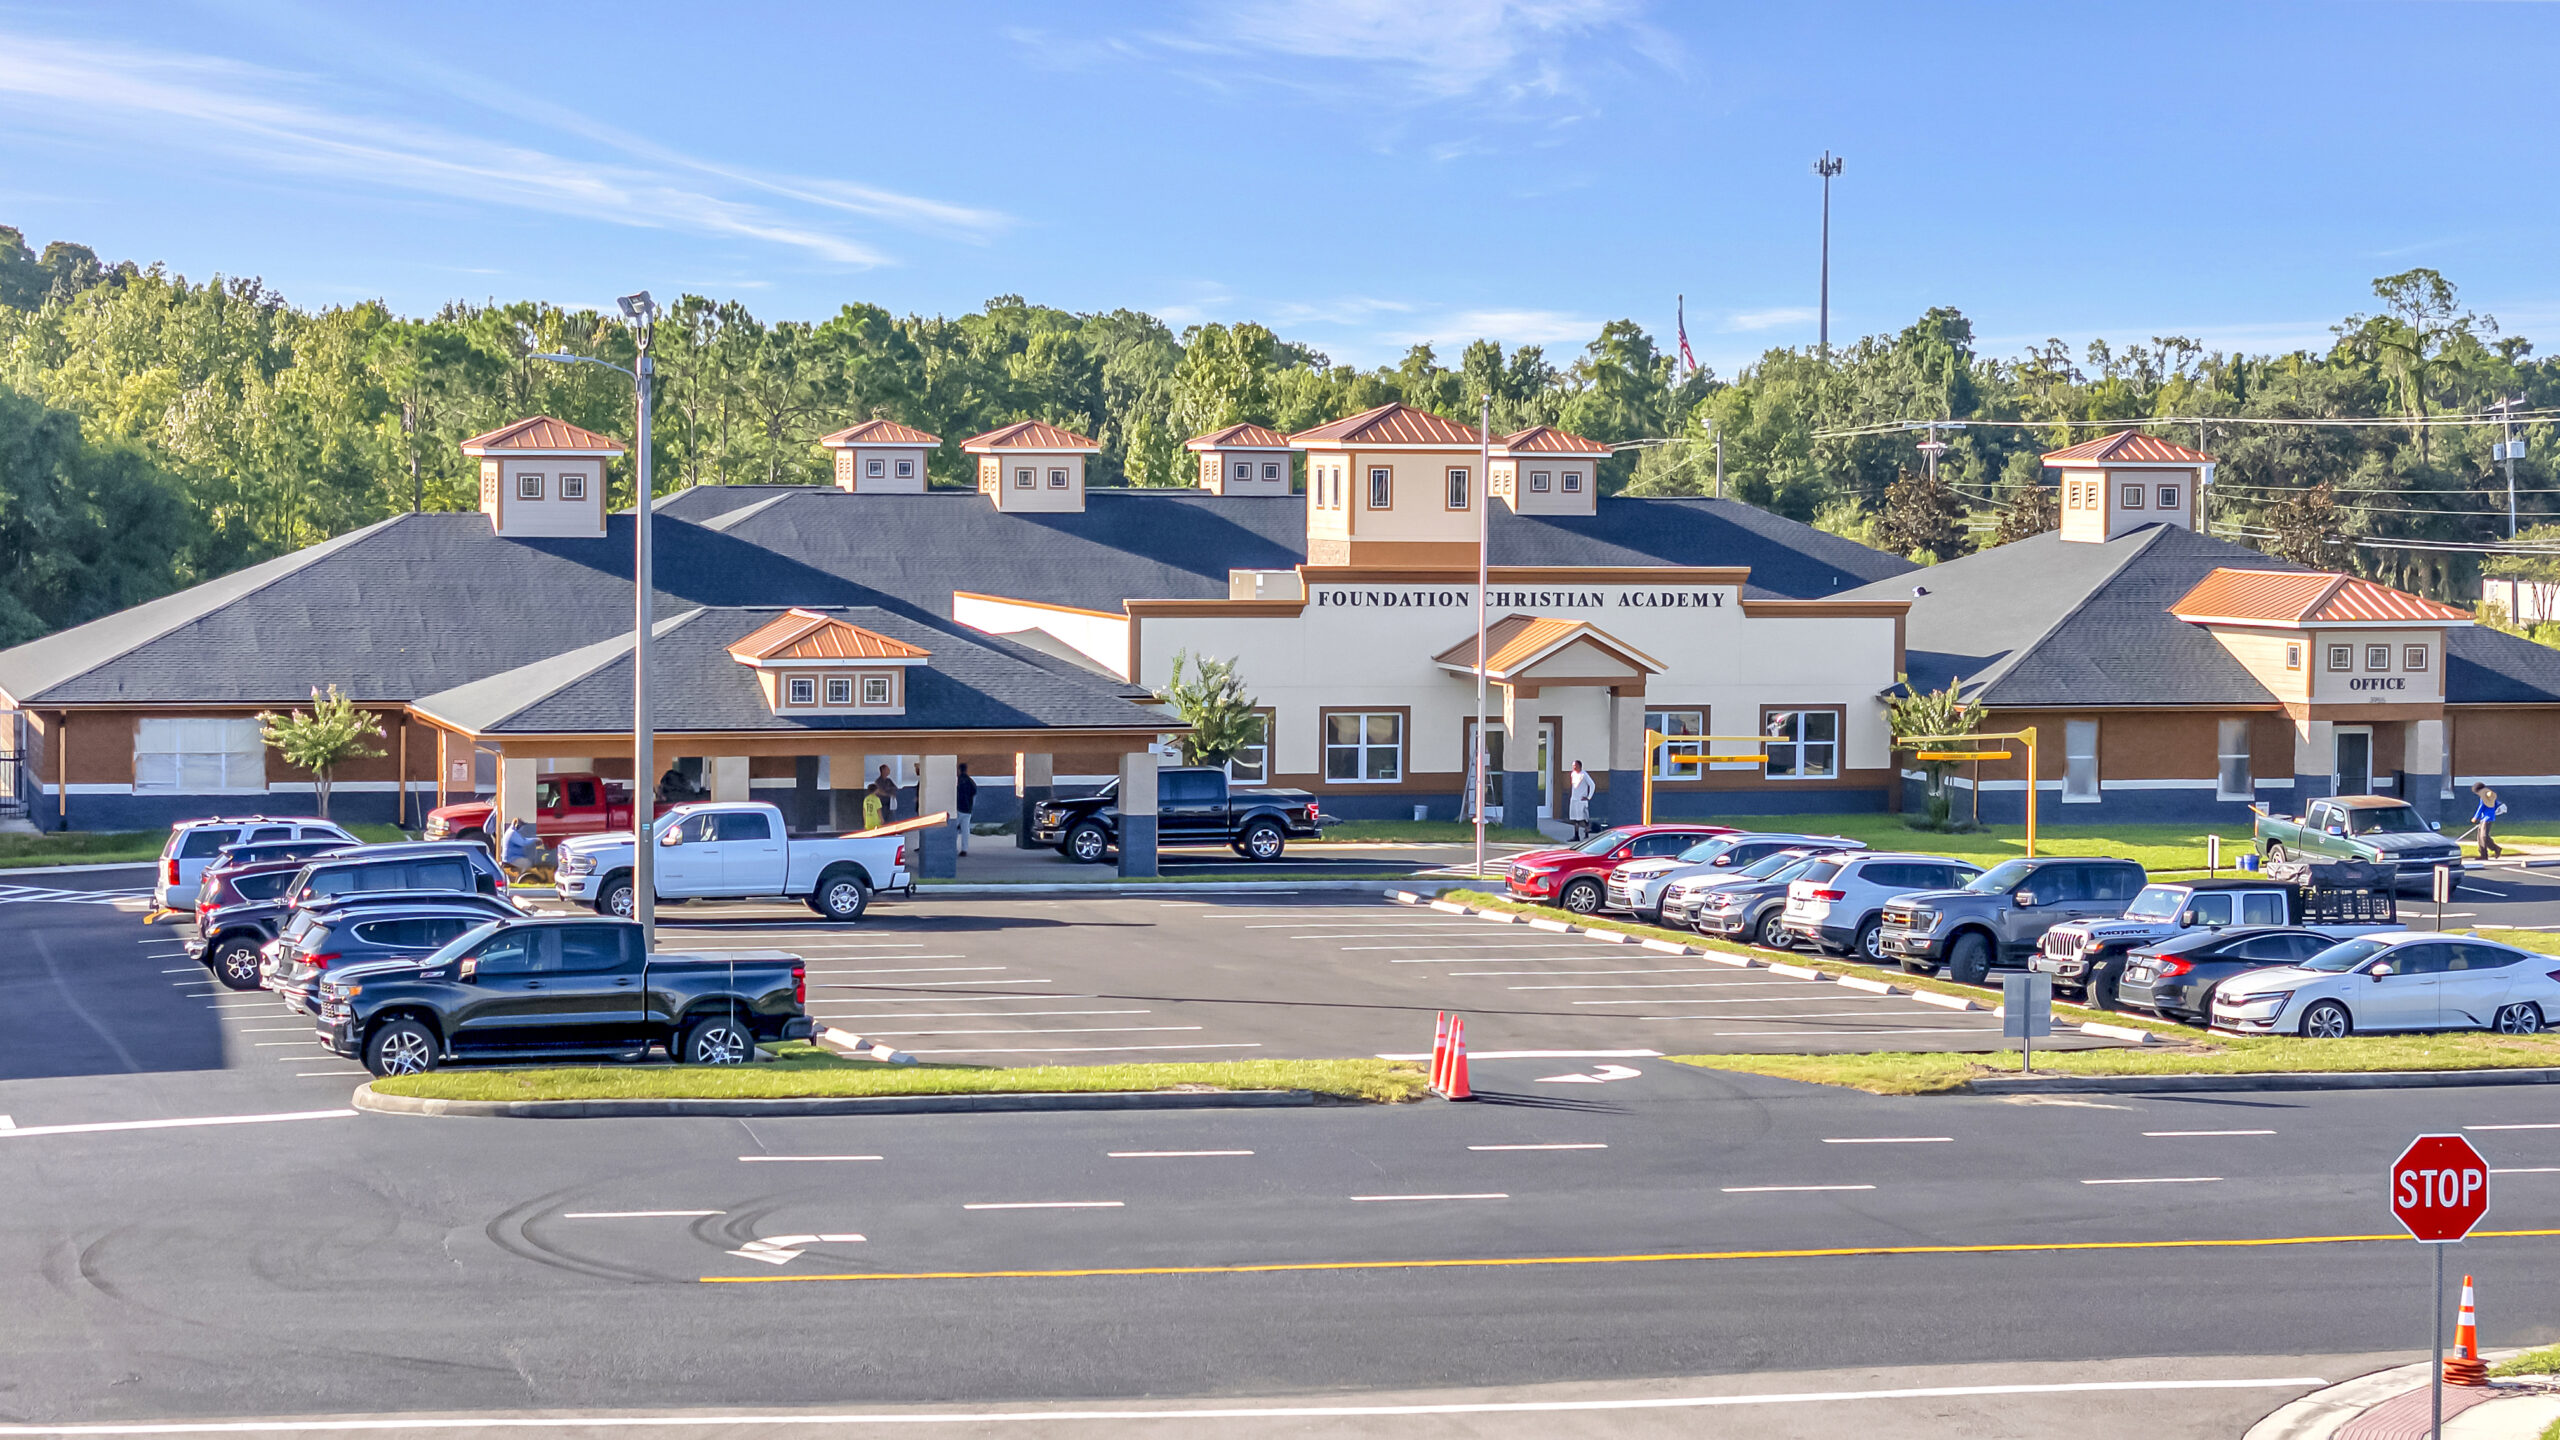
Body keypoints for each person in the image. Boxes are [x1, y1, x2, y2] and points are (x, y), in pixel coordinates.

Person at [497, 816, 539, 880]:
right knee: (527, 863)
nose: (523, 828)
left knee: (524, 861)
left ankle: (519, 877)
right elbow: (523, 842)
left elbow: (523, 839)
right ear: (517, 825)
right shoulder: (512, 833)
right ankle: (523, 879)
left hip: (511, 857)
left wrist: (533, 839)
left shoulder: (512, 832)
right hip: (511, 858)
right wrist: (535, 840)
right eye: (522, 826)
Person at [2472, 781, 2505, 860]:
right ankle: (2483, 854)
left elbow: (2481, 808)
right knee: (2480, 837)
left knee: (2484, 836)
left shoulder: (2484, 799)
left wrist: (2475, 817)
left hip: (2488, 819)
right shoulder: (2489, 799)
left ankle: (2496, 848)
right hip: (2484, 819)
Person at [1566, 761, 1595, 840]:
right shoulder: (1573, 774)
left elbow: (1592, 784)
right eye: (1573, 765)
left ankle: (1587, 832)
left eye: (1575, 765)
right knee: (1574, 819)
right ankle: (1576, 835)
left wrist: (1588, 797)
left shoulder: (1584, 775)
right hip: (1574, 799)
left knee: (1582, 818)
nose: (1573, 767)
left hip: (1581, 801)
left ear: (1579, 766)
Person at [953, 763, 978, 856]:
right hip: (968, 809)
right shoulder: (970, 781)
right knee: (965, 830)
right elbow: (974, 792)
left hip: (958, 808)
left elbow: (956, 794)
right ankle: (964, 849)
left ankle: (953, 848)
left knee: (953, 829)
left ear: (959, 770)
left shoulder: (959, 781)